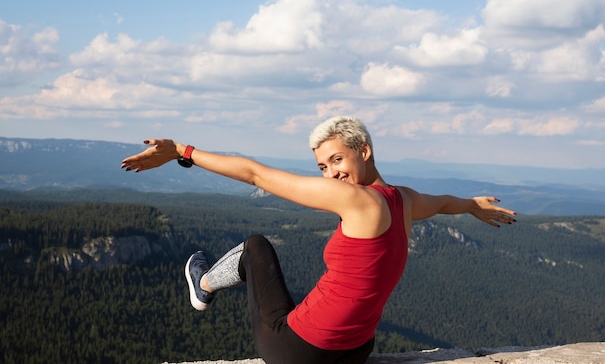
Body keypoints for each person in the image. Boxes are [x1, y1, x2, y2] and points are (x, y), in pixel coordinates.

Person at [121, 116, 516, 364]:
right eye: (323, 167)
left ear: (364, 150)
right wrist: (471, 205)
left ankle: (203, 284)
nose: (331, 174)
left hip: (300, 354)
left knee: (256, 247)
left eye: (337, 160)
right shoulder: (405, 200)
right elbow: (442, 202)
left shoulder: (356, 200)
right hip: (356, 351)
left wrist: (181, 151)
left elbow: (256, 175)